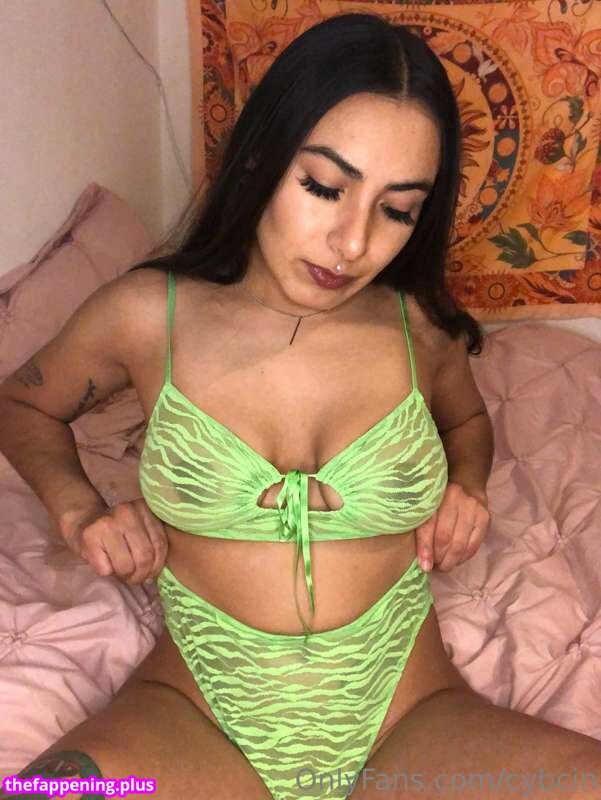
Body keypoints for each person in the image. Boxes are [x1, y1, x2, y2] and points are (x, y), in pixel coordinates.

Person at [0, 11, 600, 800]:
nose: (351, 243)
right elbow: (22, 404)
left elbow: (464, 419)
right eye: (323, 187)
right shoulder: (147, 316)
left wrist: (468, 485)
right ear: (259, 158)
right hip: (196, 715)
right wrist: (79, 510)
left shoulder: (417, 328)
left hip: (407, 715)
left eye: (396, 209)